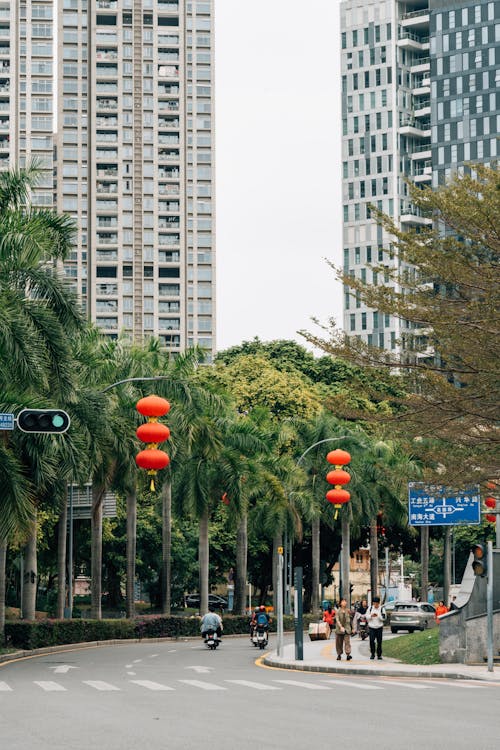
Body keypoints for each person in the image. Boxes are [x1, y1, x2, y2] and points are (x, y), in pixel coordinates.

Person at [367, 595, 386, 660]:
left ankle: (379, 655)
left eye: (376, 603)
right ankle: (372, 654)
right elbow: (366, 616)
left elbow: (384, 618)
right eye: (374, 603)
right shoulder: (370, 608)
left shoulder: (381, 609)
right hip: (371, 627)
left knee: (379, 642)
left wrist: (378, 616)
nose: (375, 605)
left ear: (378, 603)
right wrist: (371, 616)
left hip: (379, 627)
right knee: (371, 641)